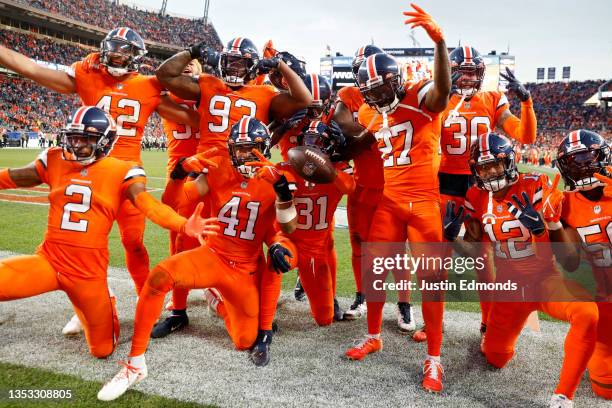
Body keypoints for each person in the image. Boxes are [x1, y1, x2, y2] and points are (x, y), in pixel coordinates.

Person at [0, 27, 200, 335]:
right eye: (114, 51)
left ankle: (146, 297)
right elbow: (31, 68)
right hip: (90, 174)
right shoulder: (87, 73)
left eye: (125, 52)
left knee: (133, 243)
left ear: (136, 57)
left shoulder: (148, 85)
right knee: (83, 245)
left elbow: (195, 118)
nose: (118, 58)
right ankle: (88, 303)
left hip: (128, 176)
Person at [97, 118, 298, 401]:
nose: (243, 156)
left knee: (244, 341)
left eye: (250, 149)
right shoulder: (217, 171)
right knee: (160, 275)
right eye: (238, 149)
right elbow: (174, 202)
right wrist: (178, 174)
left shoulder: (276, 179)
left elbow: (287, 229)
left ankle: (217, 301)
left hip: (246, 268)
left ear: (263, 148)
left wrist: (279, 212)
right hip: (213, 254)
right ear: (230, 149)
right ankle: (135, 362)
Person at [0, 107, 217, 359]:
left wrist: (182, 224)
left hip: (88, 273)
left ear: (105, 142)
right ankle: (83, 304)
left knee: (102, 350)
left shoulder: (122, 169)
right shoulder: (54, 158)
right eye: (73, 137)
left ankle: (106, 300)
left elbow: (148, 204)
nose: (76, 144)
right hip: (49, 260)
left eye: (86, 139)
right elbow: (14, 177)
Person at [151, 36, 311, 337]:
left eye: (241, 63)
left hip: (248, 175)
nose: (235, 68)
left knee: (254, 240)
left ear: (252, 67)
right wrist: (191, 51)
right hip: (210, 172)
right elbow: (164, 76)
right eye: (230, 61)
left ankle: (257, 306)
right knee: (185, 236)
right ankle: (178, 311)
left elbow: (303, 98)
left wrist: (278, 64)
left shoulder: (264, 93)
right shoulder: (208, 83)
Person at [444, 132, 599, 408]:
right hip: (510, 292)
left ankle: (563, 396)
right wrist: (452, 238)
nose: (490, 172)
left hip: (545, 280)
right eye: (483, 167)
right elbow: (473, 249)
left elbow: (568, 258)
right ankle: (491, 335)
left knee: (586, 312)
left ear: (510, 162)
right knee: (495, 357)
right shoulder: (476, 197)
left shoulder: (537, 184)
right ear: (476, 172)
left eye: (496, 164)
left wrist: (546, 225)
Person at [343, 4, 451, 394]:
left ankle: (434, 358)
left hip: (423, 203)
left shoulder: (419, 96)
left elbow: (442, 91)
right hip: (389, 201)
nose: (376, 96)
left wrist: (439, 43)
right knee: (375, 273)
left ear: (396, 79)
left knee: (431, 282)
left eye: (380, 88)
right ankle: (373, 335)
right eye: (369, 92)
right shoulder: (373, 114)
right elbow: (351, 138)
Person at [426, 45, 538, 342]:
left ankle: (488, 321)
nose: (467, 79)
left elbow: (525, 135)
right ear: (449, 73)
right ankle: (432, 321)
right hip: (445, 181)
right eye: (462, 73)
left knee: (482, 256)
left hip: (481, 184)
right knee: (439, 254)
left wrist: (526, 101)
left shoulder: (490, 98)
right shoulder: (437, 99)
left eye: (473, 73)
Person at [554, 129, 612, 401]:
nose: (583, 168)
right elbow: (570, 262)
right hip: (605, 299)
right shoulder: (566, 204)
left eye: (589, 160)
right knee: (605, 388)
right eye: (574, 164)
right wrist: (553, 225)